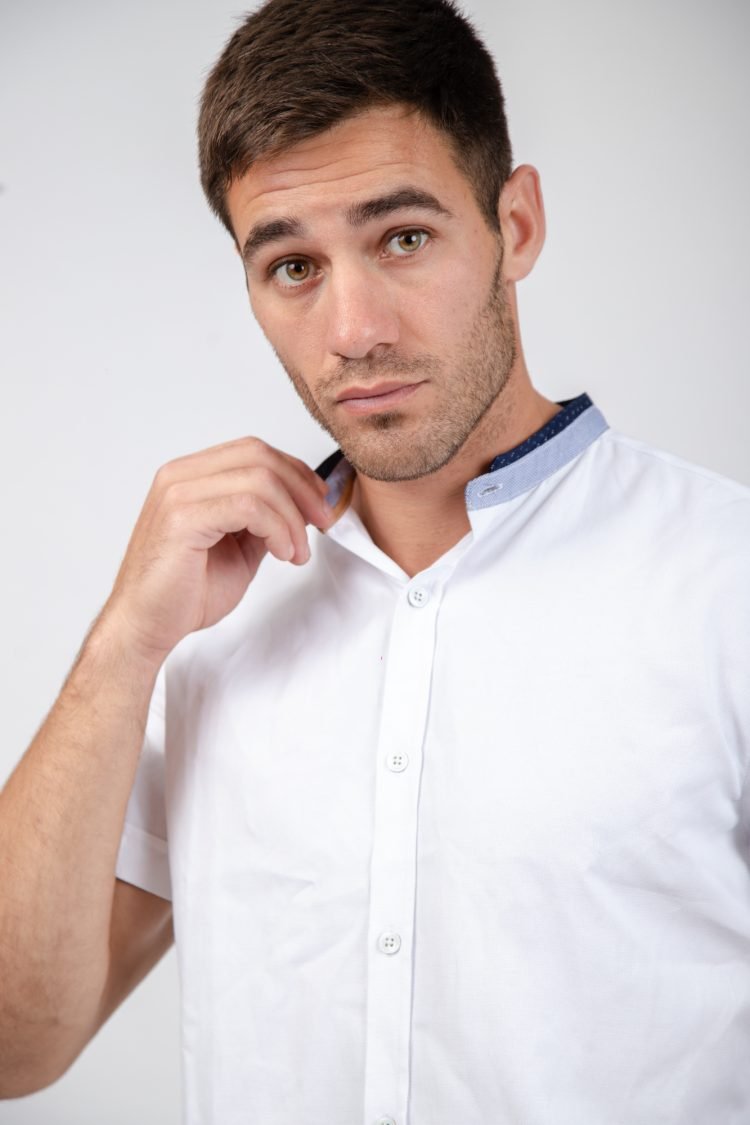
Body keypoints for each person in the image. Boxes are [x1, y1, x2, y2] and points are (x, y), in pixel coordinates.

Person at [1, 0, 749, 1121]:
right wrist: (122, 646)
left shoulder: (724, 581)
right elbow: (14, 1046)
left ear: (516, 224)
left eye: (403, 237)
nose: (354, 330)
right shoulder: (203, 623)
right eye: (293, 264)